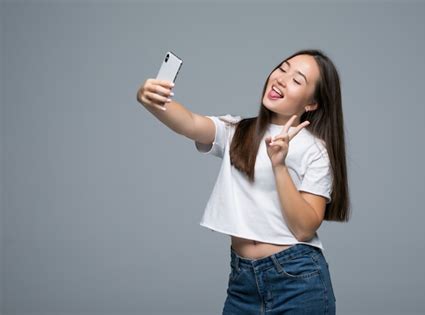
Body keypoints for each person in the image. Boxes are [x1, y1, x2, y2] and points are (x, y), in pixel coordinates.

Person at [136, 48, 350, 314]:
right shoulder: (237, 131)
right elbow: (189, 122)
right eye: (282, 69)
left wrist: (279, 165)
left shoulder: (314, 150)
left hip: (297, 280)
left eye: (297, 80)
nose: (282, 79)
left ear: (312, 104)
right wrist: (152, 99)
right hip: (242, 282)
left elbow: (305, 228)